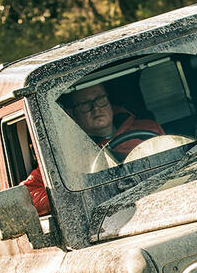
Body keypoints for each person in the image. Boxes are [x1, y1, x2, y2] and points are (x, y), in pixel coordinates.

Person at [21, 83, 164, 216]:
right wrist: (78, 197)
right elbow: (26, 196)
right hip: (110, 216)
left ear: (109, 101)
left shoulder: (148, 128)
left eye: (100, 99)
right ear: (71, 113)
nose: (96, 108)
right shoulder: (64, 154)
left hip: (161, 197)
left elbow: (178, 160)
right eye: (85, 104)